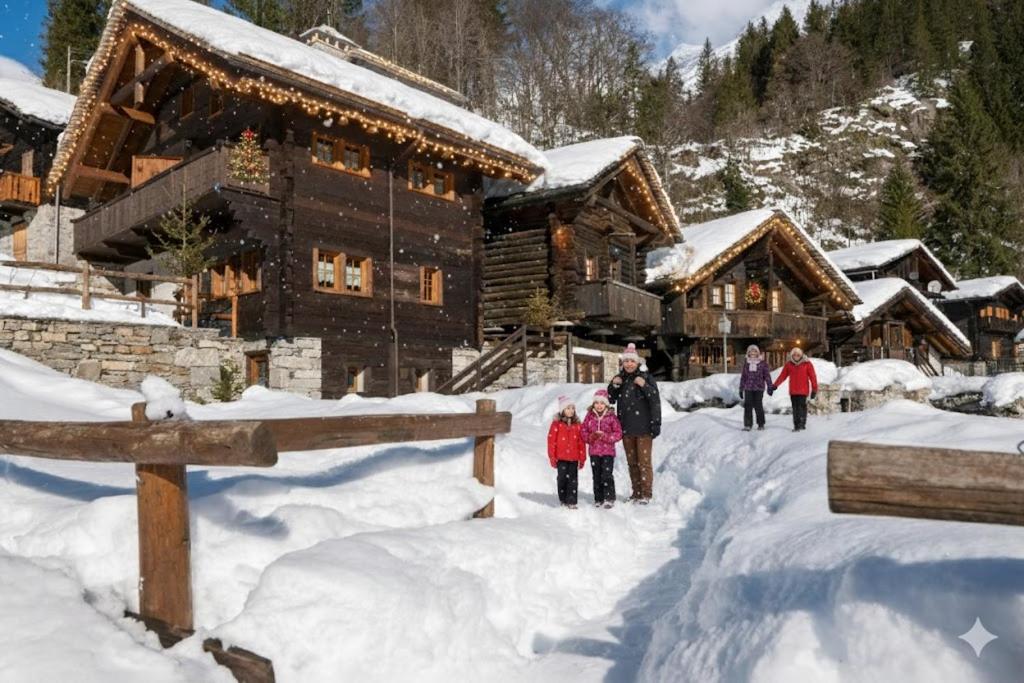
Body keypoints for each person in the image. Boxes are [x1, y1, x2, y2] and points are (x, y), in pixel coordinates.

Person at [607, 343, 661, 504]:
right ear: (622, 363)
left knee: (644, 462)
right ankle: (636, 493)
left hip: (644, 427)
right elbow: (610, 398)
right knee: (632, 463)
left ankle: (646, 494)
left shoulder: (646, 378)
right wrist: (614, 385)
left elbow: (655, 400)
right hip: (626, 428)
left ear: (637, 362)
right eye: (626, 361)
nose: (629, 364)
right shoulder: (620, 379)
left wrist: (656, 423)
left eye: (632, 361)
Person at [581, 388, 622, 508]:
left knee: (607, 475)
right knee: (597, 475)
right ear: (593, 404)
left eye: (602, 403)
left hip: (608, 452)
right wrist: (591, 437)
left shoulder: (611, 417)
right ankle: (598, 498)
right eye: (597, 403)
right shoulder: (589, 416)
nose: (599, 405)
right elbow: (583, 431)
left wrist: (606, 437)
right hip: (594, 452)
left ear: (606, 404)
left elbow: (618, 433)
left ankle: (609, 498)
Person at [547, 395, 586, 508]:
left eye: (572, 408)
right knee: (562, 479)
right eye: (568, 408)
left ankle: (572, 501)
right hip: (561, 458)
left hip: (574, 458)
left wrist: (582, 458)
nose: (571, 411)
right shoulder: (556, 424)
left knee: (573, 480)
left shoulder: (578, 425)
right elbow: (551, 441)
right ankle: (563, 500)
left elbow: (581, 443)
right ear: (562, 410)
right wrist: (552, 457)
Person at [772, 347, 818, 431]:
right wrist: (775, 385)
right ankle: (797, 425)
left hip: (803, 391)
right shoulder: (789, 364)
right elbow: (782, 376)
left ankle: (802, 423)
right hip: (793, 391)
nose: (796, 356)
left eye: (798, 354)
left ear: (801, 355)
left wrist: (814, 389)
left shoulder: (807, 364)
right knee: (795, 408)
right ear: (792, 355)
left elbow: (813, 377)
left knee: (801, 407)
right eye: (794, 354)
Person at [739, 345, 774, 431]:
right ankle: (748, 425)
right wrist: (741, 388)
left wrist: (770, 386)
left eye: (755, 351)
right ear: (748, 353)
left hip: (759, 388)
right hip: (748, 388)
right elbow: (743, 377)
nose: (753, 353)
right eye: (751, 351)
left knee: (758, 406)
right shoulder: (746, 363)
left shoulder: (763, 363)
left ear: (758, 353)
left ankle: (761, 424)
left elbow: (767, 376)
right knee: (748, 406)